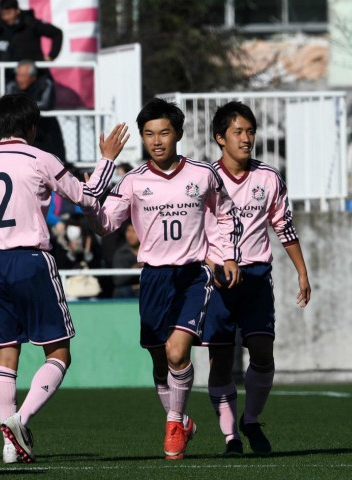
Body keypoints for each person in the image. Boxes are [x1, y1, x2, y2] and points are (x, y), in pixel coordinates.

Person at [0, 94, 129, 464]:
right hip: (32, 261)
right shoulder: (41, 158)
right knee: (59, 352)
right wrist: (106, 159)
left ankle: (10, 447)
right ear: (31, 127)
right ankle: (20, 422)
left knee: (5, 358)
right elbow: (87, 199)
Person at [84, 97, 243, 460]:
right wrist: (90, 200)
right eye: (149, 134)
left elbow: (224, 215)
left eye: (164, 133)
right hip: (154, 278)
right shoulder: (133, 181)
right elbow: (105, 225)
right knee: (160, 361)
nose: (157, 141)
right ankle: (183, 419)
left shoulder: (203, 174)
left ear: (178, 135)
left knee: (177, 351)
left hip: (193, 275)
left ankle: (173, 423)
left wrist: (228, 255)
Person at [201, 101, 311, 456]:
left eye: (251, 131)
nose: (247, 138)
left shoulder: (269, 177)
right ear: (220, 138)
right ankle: (230, 436)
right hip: (216, 279)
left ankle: (251, 419)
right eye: (238, 132)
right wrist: (211, 264)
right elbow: (194, 233)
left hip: (257, 276)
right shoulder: (205, 179)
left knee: (262, 352)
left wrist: (302, 271)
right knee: (219, 359)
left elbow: (284, 226)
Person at [0, 0, 63, 86]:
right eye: (3, 14)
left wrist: (52, 56)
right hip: (8, 77)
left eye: (9, 13)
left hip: (33, 76)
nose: (6, 17)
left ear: (17, 10)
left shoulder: (30, 23)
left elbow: (57, 33)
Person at [6, 60, 66, 162]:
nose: (19, 79)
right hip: (21, 133)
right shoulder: (12, 85)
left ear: (33, 76)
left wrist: (21, 107)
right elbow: (7, 104)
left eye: (23, 76)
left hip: (45, 131)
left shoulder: (45, 83)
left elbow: (45, 104)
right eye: (18, 75)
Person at [111, 221, 142, 298]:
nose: (130, 235)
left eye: (134, 231)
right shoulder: (121, 253)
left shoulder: (150, 252)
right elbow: (118, 280)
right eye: (128, 231)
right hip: (128, 290)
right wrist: (135, 268)